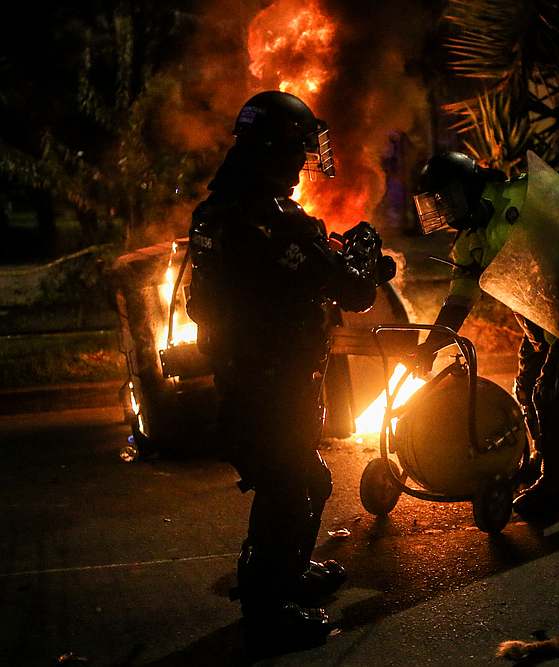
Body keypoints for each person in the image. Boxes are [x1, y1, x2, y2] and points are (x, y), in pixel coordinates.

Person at [186, 90, 394, 646]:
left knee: (307, 480)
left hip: (247, 380)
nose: (302, 170)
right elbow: (354, 292)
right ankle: (266, 608)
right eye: (298, 155)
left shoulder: (216, 212)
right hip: (274, 387)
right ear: (277, 154)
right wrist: (365, 253)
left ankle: (287, 575)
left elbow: (202, 302)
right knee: (289, 489)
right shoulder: (277, 224)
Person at [411, 152, 559, 524]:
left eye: (446, 198)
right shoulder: (469, 242)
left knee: (550, 394)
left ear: (468, 187)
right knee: (526, 389)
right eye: (435, 203)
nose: (442, 209)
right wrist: (430, 346)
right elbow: (460, 299)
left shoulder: (520, 196)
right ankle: (544, 460)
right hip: (536, 323)